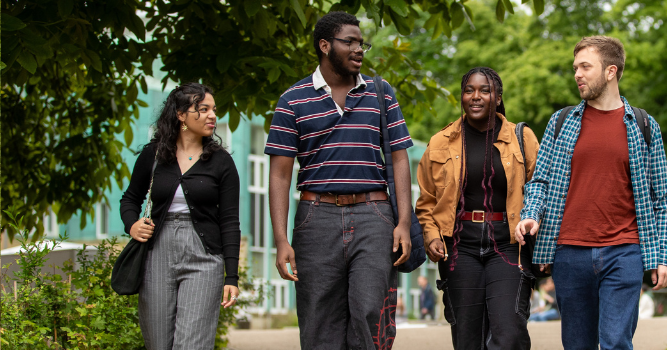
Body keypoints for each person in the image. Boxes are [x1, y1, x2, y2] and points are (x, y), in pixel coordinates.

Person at [265, 11, 414, 349]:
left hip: (373, 215)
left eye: (362, 43)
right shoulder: (292, 100)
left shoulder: (380, 93)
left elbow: (400, 157)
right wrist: (280, 239)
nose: (359, 49)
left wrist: (403, 221)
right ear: (324, 45)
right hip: (316, 219)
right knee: (319, 321)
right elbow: (279, 174)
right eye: (350, 42)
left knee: (370, 314)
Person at [515, 35, 667, 349]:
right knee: (578, 345)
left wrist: (664, 256)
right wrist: (531, 215)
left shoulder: (644, 125)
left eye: (585, 67)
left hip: (625, 251)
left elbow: (662, 197)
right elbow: (540, 182)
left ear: (611, 71)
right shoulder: (561, 122)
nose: (577, 73)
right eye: (575, 67)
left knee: (616, 341)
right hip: (568, 253)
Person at [415, 67, 537, 349]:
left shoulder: (522, 138)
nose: (476, 96)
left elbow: (541, 188)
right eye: (469, 90)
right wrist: (431, 234)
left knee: (509, 334)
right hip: (459, 248)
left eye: (485, 90)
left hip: (508, 245)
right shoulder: (440, 142)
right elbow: (426, 201)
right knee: (467, 338)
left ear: (498, 96)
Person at [120, 83, 240, 349]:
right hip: (156, 253)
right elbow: (130, 199)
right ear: (181, 114)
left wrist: (231, 276)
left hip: (204, 257)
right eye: (203, 109)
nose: (212, 116)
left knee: (192, 345)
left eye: (214, 110)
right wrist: (132, 224)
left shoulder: (222, 162)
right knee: (158, 343)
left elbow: (230, 221)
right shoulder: (153, 155)